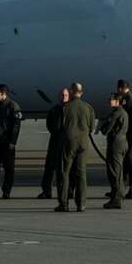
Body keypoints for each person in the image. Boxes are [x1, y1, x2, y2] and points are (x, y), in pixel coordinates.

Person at [50, 83, 96, 212]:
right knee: (81, 173)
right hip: (83, 142)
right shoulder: (88, 108)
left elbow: (57, 127)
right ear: (81, 93)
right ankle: (81, 204)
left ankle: (63, 203)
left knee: (64, 173)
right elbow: (91, 127)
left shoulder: (64, 107)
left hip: (68, 142)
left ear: (70, 92)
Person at [99, 92, 130, 209]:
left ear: (117, 101)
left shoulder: (116, 113)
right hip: (123, 142)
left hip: (115, 144)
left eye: (110, 99)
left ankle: (117, 199)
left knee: (114, 172)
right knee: (119, 171)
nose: (108, 101)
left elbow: (105, 130)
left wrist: (103, 124)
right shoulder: (123, 113)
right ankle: (118, 195)